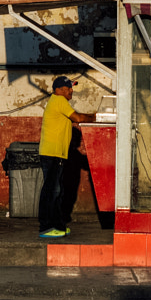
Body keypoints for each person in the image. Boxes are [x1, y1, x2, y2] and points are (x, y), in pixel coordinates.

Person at [38, 75, 94, 239]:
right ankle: (46, 227)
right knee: (51, 191)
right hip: (52, 153)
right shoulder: (59, 100)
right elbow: (77, 118)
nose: (71, 90)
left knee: (57, 190)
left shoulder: (58, 102)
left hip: (56, 153)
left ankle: (57, 225)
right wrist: (95, 117)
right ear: (58, 90)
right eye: (68, 87)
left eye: (71, 87)